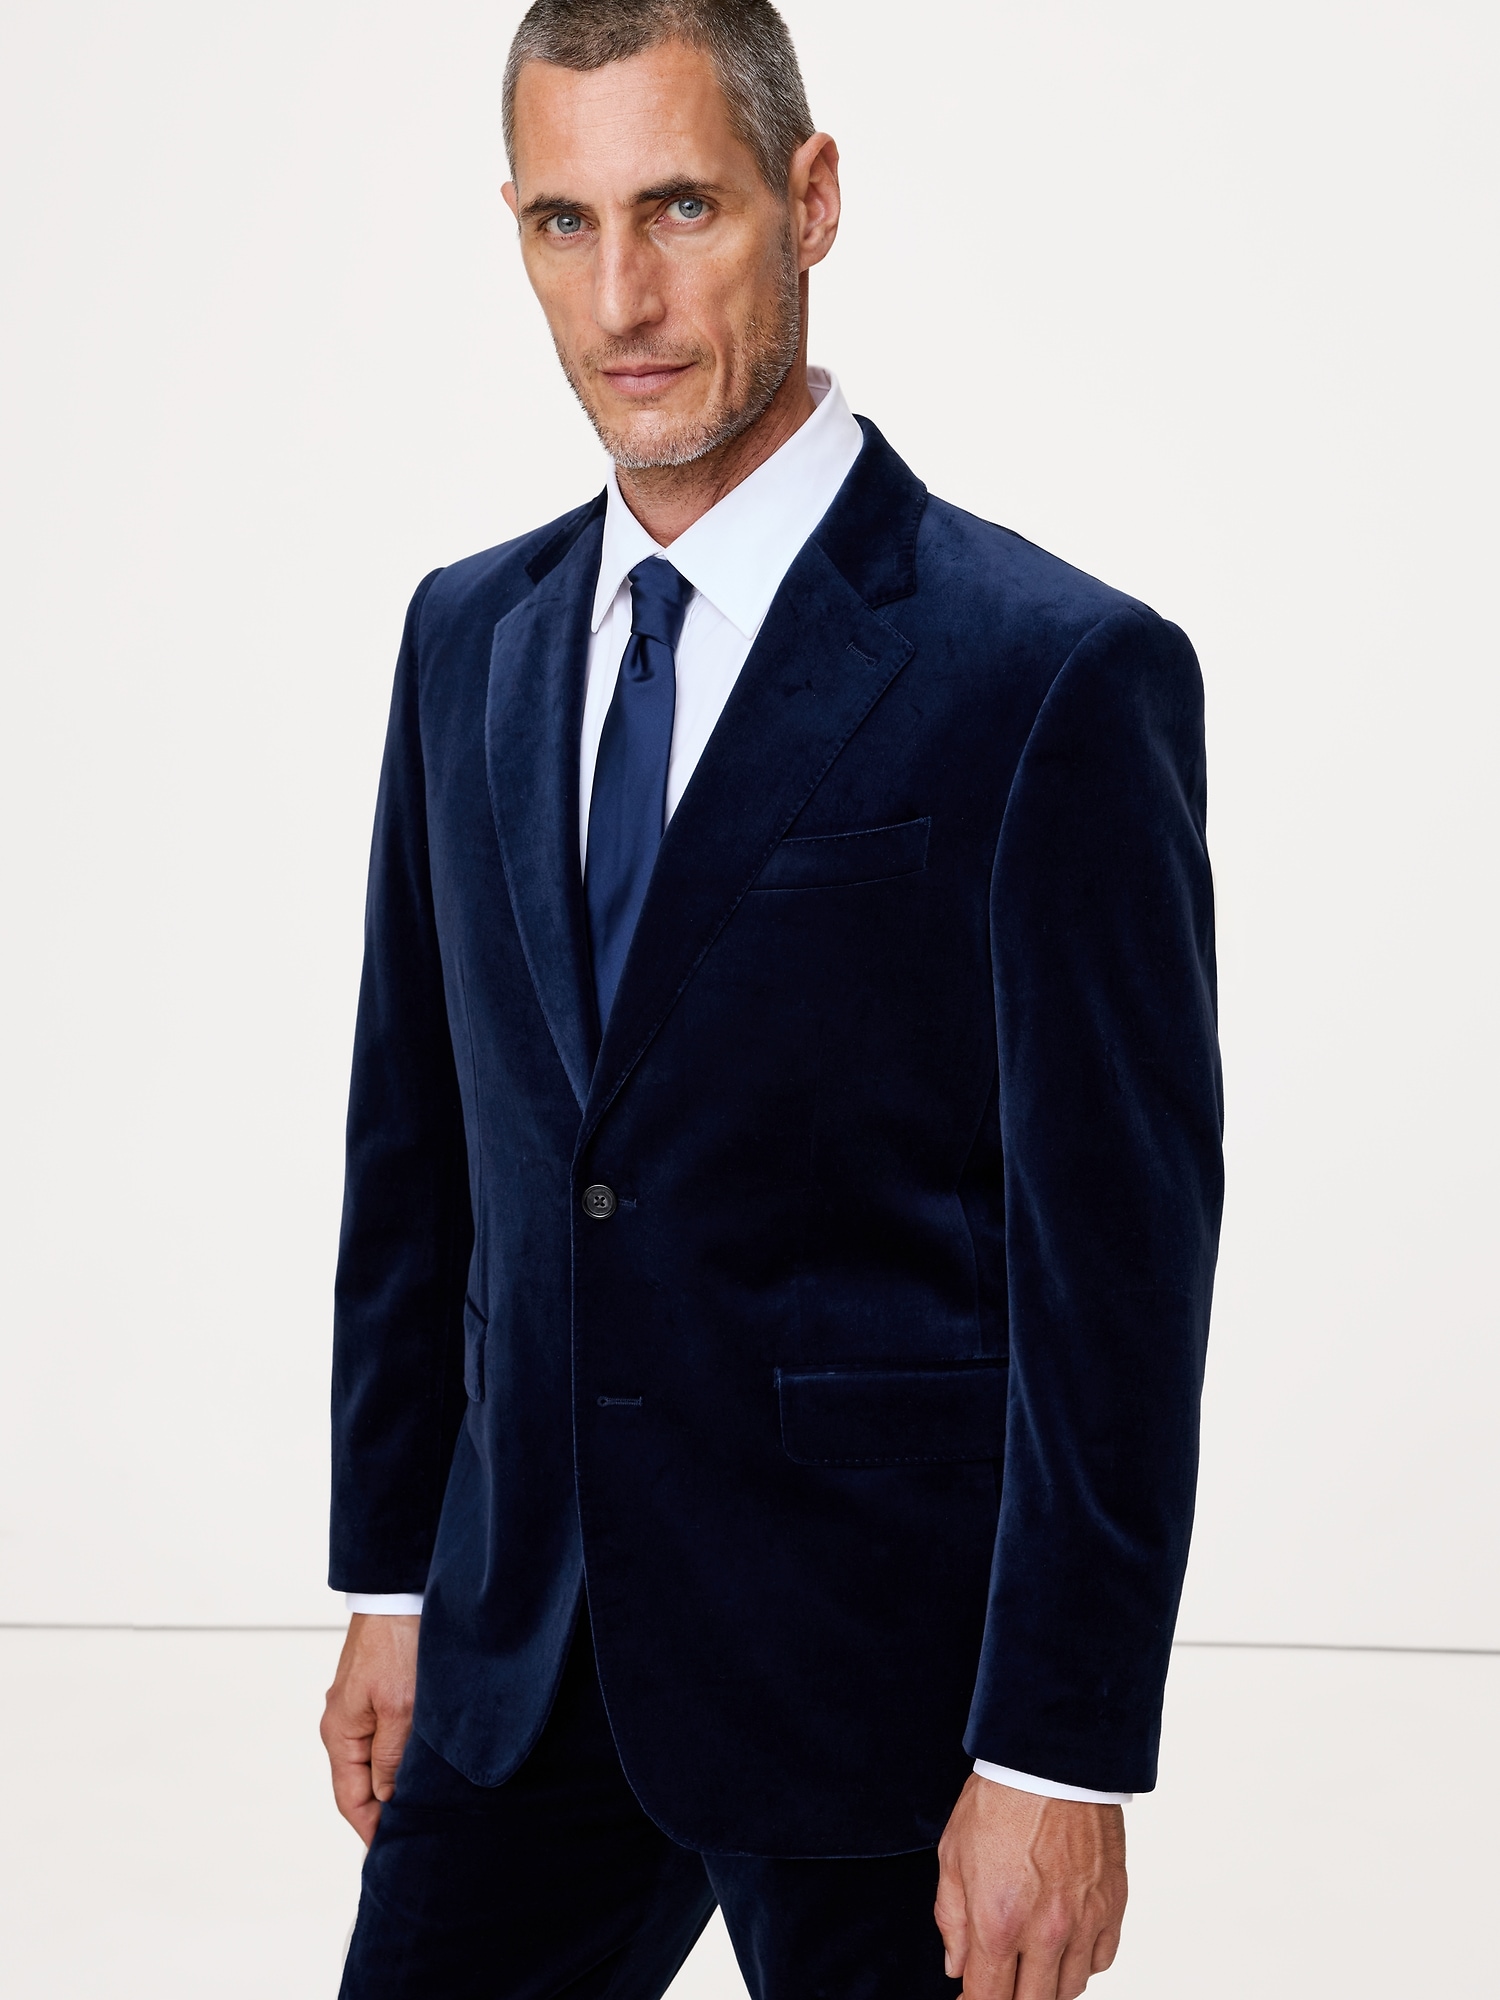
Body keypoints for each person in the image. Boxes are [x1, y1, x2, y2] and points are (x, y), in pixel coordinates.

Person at [319, 3, 1224, 1995]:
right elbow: (423, 1149)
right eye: (564, 223)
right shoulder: (467, 640)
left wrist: (1058, 1747)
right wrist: (394, 1574)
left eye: (680, 208)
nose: (621, 300)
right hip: (522, 1656)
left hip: (886, 1695)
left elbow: (1119, 1269)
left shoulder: (1047, 676)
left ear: (809, 201)